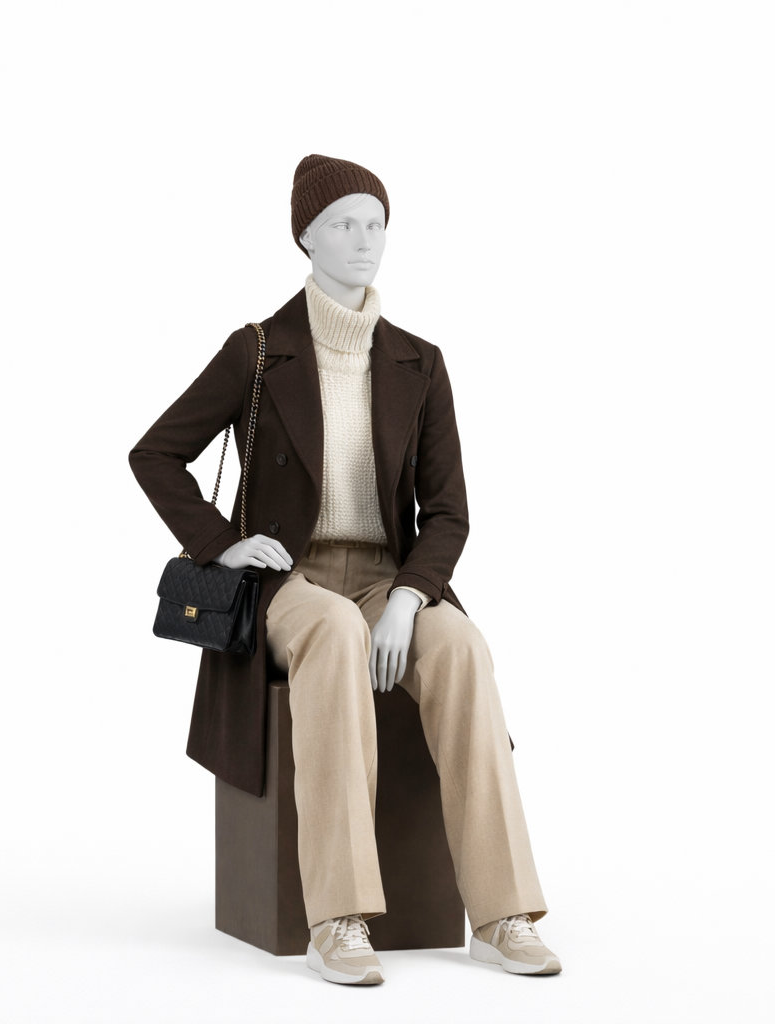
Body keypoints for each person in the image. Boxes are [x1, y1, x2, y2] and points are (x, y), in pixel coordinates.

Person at [129, 154, 561, 986]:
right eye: (343, 224)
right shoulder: (259, 351)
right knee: (330, 631)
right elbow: (155, 454)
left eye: (376, 223)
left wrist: (408, 598)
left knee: (461, 647)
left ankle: (501, 914)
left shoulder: (418, 361)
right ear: (305, 236)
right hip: (290, 583)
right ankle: (338, 918)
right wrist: (221, 544)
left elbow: (448, 512)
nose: (364, 240)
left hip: (387, 579)